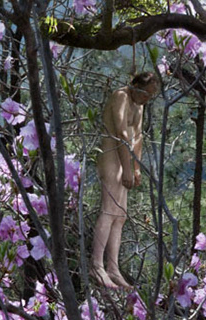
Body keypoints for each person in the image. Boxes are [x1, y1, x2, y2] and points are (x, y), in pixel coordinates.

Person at [89, 71, 160, 291]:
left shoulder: (139, 103)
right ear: (135, 86)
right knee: (109, 210)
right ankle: (96, 265)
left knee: (120, 215)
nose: (147, 98)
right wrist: (127, 169)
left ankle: (113, 268)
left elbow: (137, 136)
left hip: (126, 157)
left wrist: (136, 167)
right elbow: (120, 132)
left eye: (151, 95)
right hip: (111, 155)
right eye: (146, 93)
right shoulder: (121, 96)